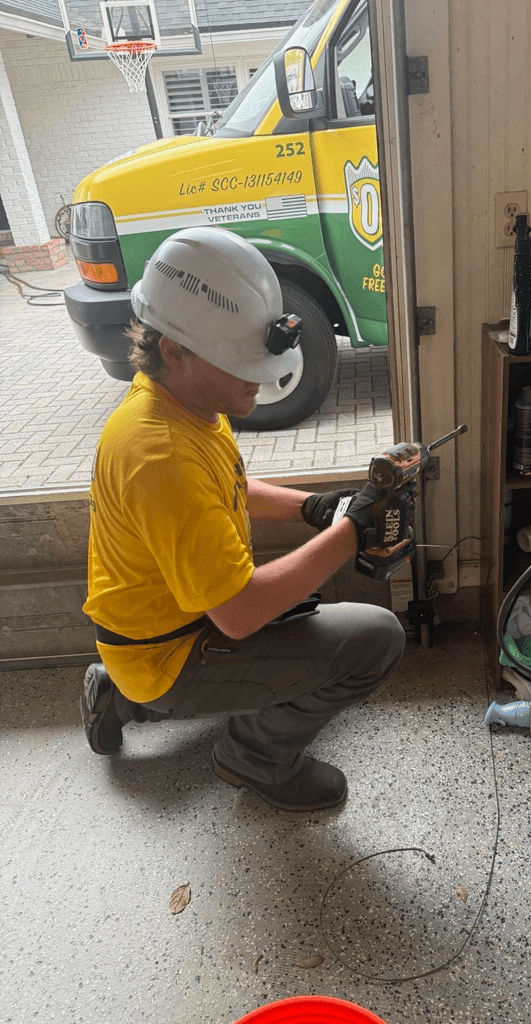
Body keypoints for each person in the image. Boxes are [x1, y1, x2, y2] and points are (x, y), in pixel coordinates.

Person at [80, 226, 409, 812]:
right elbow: (239, 613)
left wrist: (311, 508)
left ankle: (122, 689)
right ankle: (252, 759)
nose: (261, 376)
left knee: (302, 619)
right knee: (376, 639)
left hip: (149, 629)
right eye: (242, 361)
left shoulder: (178, 403)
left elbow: (223, 489)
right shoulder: (160, 455)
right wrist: (351, 531)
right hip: (179, 644)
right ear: (175, 349)